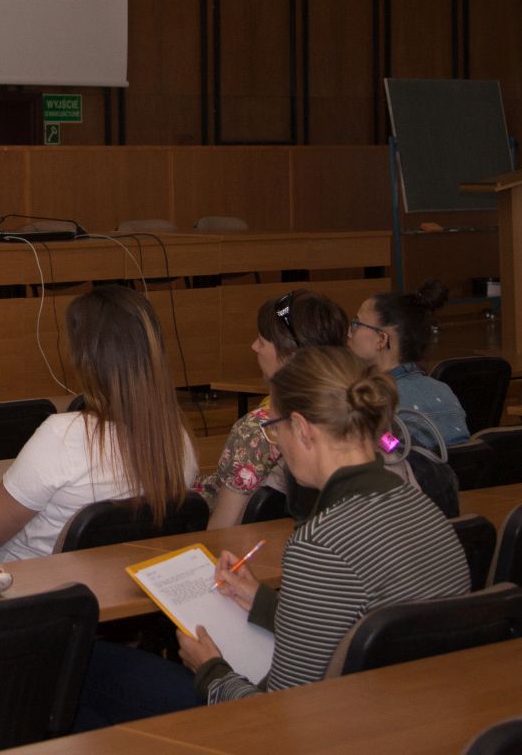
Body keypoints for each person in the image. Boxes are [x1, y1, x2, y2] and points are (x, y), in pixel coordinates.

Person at [74, 345, 471, 726]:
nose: (277, 442)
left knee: (87, 668)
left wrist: (209, 668)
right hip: (411, 717)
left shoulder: (321, 543)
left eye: (275, 428)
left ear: (302, 428)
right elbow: (353, 626)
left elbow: (281, 717)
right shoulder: (426, 512)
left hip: (338, 730)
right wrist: (261, 602)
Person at [0, 286, 198, 562]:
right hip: (115, 582)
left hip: (27, 585)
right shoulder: (178, 442)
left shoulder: (62, 436)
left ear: (86, 360)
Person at [198, 290, 349, 527]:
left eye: (262, 340)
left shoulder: (259, 429)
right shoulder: (354, 411)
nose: (254, 346)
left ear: (290, 354)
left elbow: (222, 528)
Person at [347, 280, 470, 447]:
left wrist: (373, 433)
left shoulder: (374, 400)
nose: (349, 333)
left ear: (382, 338)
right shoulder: (444, 391)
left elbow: (396, 450)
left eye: (356, 323)